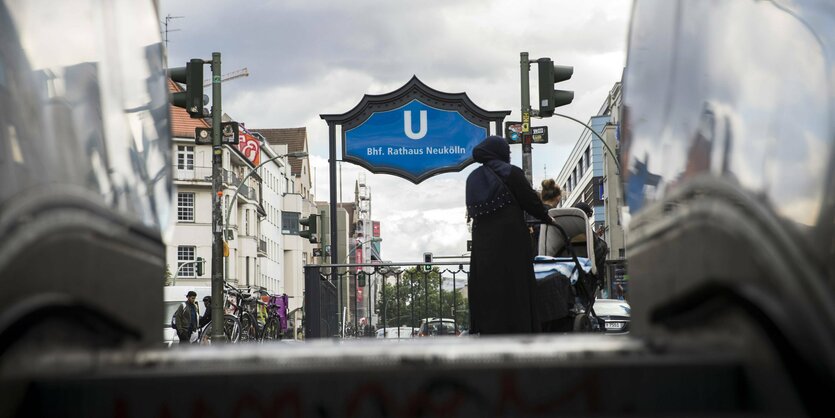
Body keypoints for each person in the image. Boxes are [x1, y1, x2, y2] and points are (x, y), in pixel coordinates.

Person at [466, 136, 556, 335]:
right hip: (511, 242)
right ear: (500, 152)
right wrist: (547, 217)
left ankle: (490, 331)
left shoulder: (472, 178)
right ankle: (519, 330)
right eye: (507, 150)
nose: (509, 154)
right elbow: (531, 201)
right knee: (516, 286)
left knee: (489, 286)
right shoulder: (510, 172)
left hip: (483, 246)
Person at [572, 202, 608, 276]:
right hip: (585, 263)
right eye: (589, 215)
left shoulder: (569, 226)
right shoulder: (585, 226)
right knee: (603, 246)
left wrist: (596, 234)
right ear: (587, 214)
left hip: (570, 261)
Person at [531, 179, 562, 255]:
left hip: (532, 256)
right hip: (553, 256)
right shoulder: (557, 215)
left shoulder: (532, 213)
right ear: (558, 198)